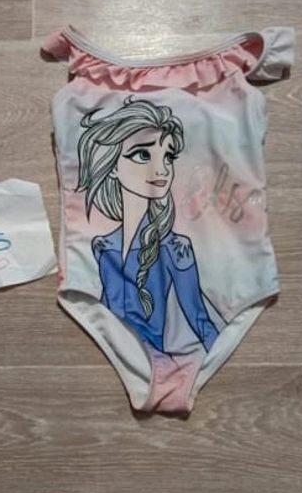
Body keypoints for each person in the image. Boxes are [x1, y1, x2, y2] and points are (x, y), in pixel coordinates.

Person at [76, 95, 220, 354]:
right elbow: (105, 315)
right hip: (100, 356)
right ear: (112, 167)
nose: (162, 169)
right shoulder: (102, 246)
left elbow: (200, 321)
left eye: (168, 157)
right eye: (143, 154)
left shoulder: (176, 249)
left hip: (158, 356)